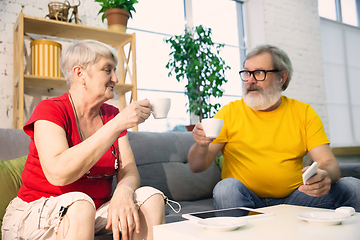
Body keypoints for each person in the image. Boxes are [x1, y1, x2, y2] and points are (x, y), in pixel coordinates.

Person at [2, 40, 166, 240]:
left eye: (115, 71)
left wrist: (123, 190)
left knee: (152, 199)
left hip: (93, 210)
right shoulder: (50, 110)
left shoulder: (112, 115)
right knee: (81, 206)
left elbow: (129, 171)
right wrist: (116, 125)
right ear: (80, 74)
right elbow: (59, 173)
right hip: (37, 210)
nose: (115, 78)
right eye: (107, 70)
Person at [188, 44, 360, 212]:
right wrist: (201, 145)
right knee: (225, 188)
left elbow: (328, 162)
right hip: (246, 200)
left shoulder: (303, 112)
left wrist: (325, 176)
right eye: (247, 72)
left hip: (296, 200)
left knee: (352, 186)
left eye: (259, 73)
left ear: (281, 78)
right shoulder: (229, 112)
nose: (250, 80)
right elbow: (196, 166)